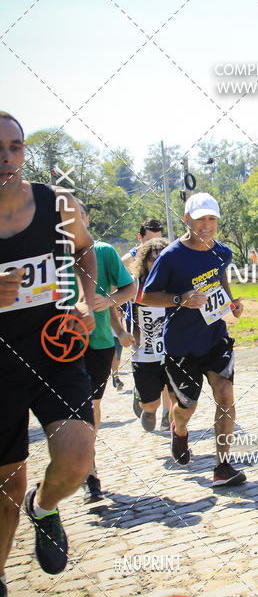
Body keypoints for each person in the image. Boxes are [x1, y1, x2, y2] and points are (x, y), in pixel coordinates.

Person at [0, 112, 97, 597]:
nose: (6, 159)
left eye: (15, 147)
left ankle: (45, 507)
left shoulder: (58, 205)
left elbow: (84, 253)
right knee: (4, 489)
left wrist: (85, 298)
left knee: (78, 459)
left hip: (56, 351)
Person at [141, 192, 247, 486]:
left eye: (211, 219)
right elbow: (147, 295)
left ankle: (222, 466)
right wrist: (180, 299)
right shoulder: (171, 256)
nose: (206, 225)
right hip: (181, 344)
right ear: (187, 220)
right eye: (200, 219)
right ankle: (180, 430)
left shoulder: (222, 252)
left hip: (214, 336)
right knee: (187, 406)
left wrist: (232, 304)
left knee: (225, 394)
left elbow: (220, 281)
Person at [77, 201, 135, 502]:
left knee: (89, 408)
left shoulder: (104, 252)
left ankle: (89, 470)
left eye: (78, 214)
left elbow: (130, 289)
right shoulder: (47, 254)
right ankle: (85, 471)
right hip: (56, 347)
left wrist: (109, 302)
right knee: (74, 411)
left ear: (87, 218)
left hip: (98, 344)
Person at [120, 237, 175, 433]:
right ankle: (146, 405)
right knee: (151, 407)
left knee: (175, 395)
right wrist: (120, 332)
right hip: (143, 353)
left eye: (162, 258)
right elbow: (110, 303)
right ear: (144, 261)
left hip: (172, 351)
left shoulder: (175, 283)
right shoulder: (134, 284)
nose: (157, 262)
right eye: (153, 259)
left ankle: (177, 433)